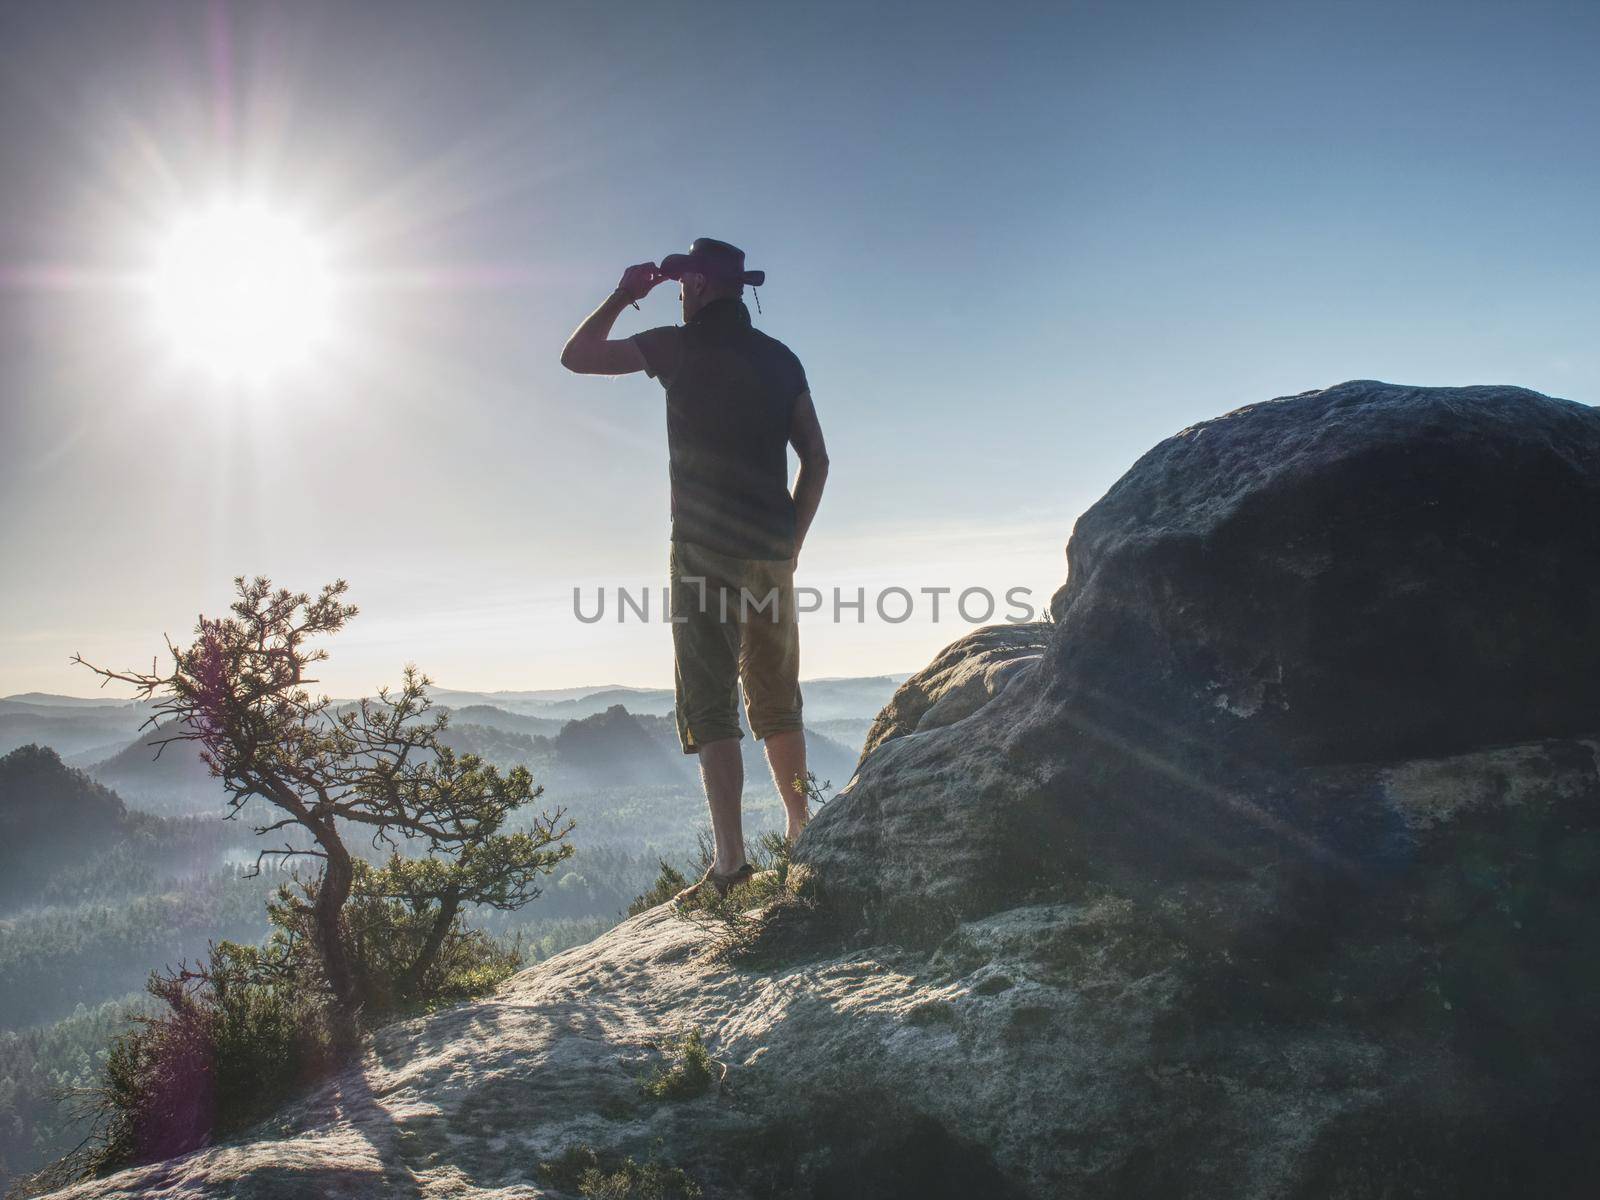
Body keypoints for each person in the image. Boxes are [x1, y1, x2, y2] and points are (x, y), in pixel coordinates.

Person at [560, 238, 830, 902]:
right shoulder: (781, 360)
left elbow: (578, 357)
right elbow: (817, 460)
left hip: (704, 551)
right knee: (779, 701)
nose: (679, 295)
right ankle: (805, 833)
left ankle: (732, 866)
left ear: (702, 287)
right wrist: (791, 542)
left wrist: (625, 293)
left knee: (711, 703)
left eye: (683, 285)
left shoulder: (676, 349)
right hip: (770, 551)